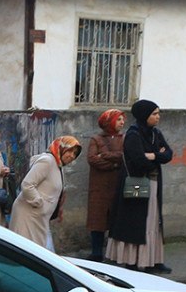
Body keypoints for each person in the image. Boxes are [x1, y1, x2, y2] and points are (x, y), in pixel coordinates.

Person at [106, 99, 174, 273]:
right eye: (154, 114)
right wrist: (156, 156)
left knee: (153, 221)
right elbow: (139, 161)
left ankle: (154, 259)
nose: (158, 117)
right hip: (137, 183)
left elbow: (169, 155)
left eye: (158, 113)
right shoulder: (133, 135)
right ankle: (134, 261)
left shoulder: (155, 133)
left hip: (154, 183)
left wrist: (153, 156)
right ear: (145, 115)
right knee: (136, 223)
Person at [10, 136, 81, 249]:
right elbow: (27, 184)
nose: (72, 156)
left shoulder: (58, 166)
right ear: (62, 148)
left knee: (36, 253)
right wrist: (39, 203)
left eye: (75, 154)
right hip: (28, 215)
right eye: (70, 151)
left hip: (39, 218)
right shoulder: (47, 161)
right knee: (25, 252)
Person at [85, 108, 125, 261]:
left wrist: (107, 156)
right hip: (99, 186)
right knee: (98, 220)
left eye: (122, 120)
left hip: (117, 184)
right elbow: (93, 159)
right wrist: (114, 165)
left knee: (116, 219)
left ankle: (113, 254)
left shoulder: (124, 138)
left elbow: (125, 157)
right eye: (119, 119)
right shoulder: (96, 139)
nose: (122, 123)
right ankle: (96, 252)